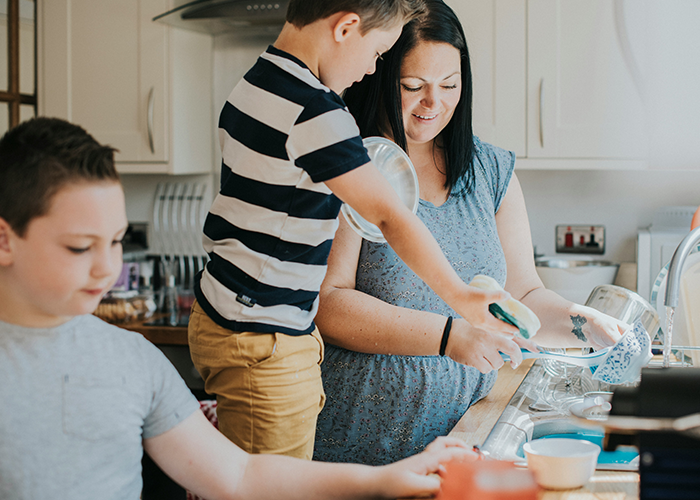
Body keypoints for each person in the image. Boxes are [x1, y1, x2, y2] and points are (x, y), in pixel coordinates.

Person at [0, 116, 478, 499]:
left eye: (118, 242)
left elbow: (240, 476)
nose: (107, 268)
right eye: (81, 248)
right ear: (5, 239)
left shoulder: (133, 360)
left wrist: (383, 480)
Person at [188, 0, 533, 461]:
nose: (372, 69)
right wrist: (458, 295)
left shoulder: (258, 82)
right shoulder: (318, 113)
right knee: (272, 487)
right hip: (264, 337)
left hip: (231, 319)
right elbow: (390, 216)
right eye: (378, 53)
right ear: (347, 27)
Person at [313, 0, 628, 465]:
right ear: (381, 76)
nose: (433, 104)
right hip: (361, 442)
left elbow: (522, 293)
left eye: (449, 85)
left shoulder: (489, 171)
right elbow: (331, 303)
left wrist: (583, 322)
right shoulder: (355, 164)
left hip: (466, 434)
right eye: (413, 85)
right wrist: (449, 335)